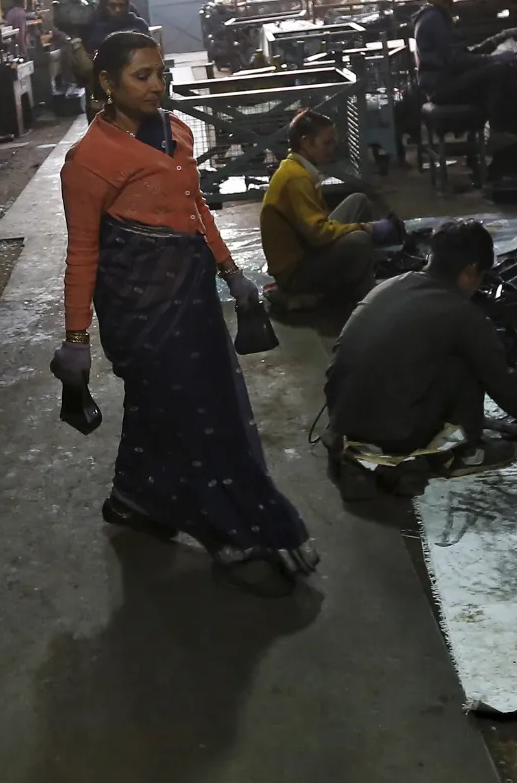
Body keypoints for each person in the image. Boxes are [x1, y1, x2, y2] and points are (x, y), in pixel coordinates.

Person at [53, 30, 318, 592]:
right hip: (139, 306)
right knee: (192, 416)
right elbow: (82, 251)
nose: (156, 86)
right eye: (141, 76)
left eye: (161, 73)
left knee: (185, 405)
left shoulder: (176, 133)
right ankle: (226, 529)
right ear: (107, 83)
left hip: (192, 291)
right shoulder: (88, 161)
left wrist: (231, 272)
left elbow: (195, 207)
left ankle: (134, 499)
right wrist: (76, 338)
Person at [326, 218, 517, 462]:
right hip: (390, 438)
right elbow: (502, 384)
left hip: (341, 423)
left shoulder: (391, 285)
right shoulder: (462, 314)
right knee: (466, 362)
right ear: (471, 270)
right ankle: (467, 450)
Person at [260, 109, 400, 308]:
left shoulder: (296, 168)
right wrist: (368, 228)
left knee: (358, 201)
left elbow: (316, 229)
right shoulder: (296, 177)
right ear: (306, 142)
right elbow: (319, 235)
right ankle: (357, 296)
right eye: (327, 142)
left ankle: (359, 275)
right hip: (294, 275)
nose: (333, 148)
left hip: (305, 251)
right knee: (360, 239)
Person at [412, 0, 517, 147]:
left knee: (499, 68)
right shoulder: (433, 20)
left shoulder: (439, 17)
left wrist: (501, 37)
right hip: (441, 88)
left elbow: (465, 55)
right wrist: (495, 59)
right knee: (500, 70)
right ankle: (498, 132)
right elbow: (458, 61)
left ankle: (501, 148)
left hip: (445, 82)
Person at [80, 0, 149, 57]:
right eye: (112, 5)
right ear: (103, 4)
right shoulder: (93, 28)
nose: (117, 10)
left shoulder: (138, 24)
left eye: (121, 5)